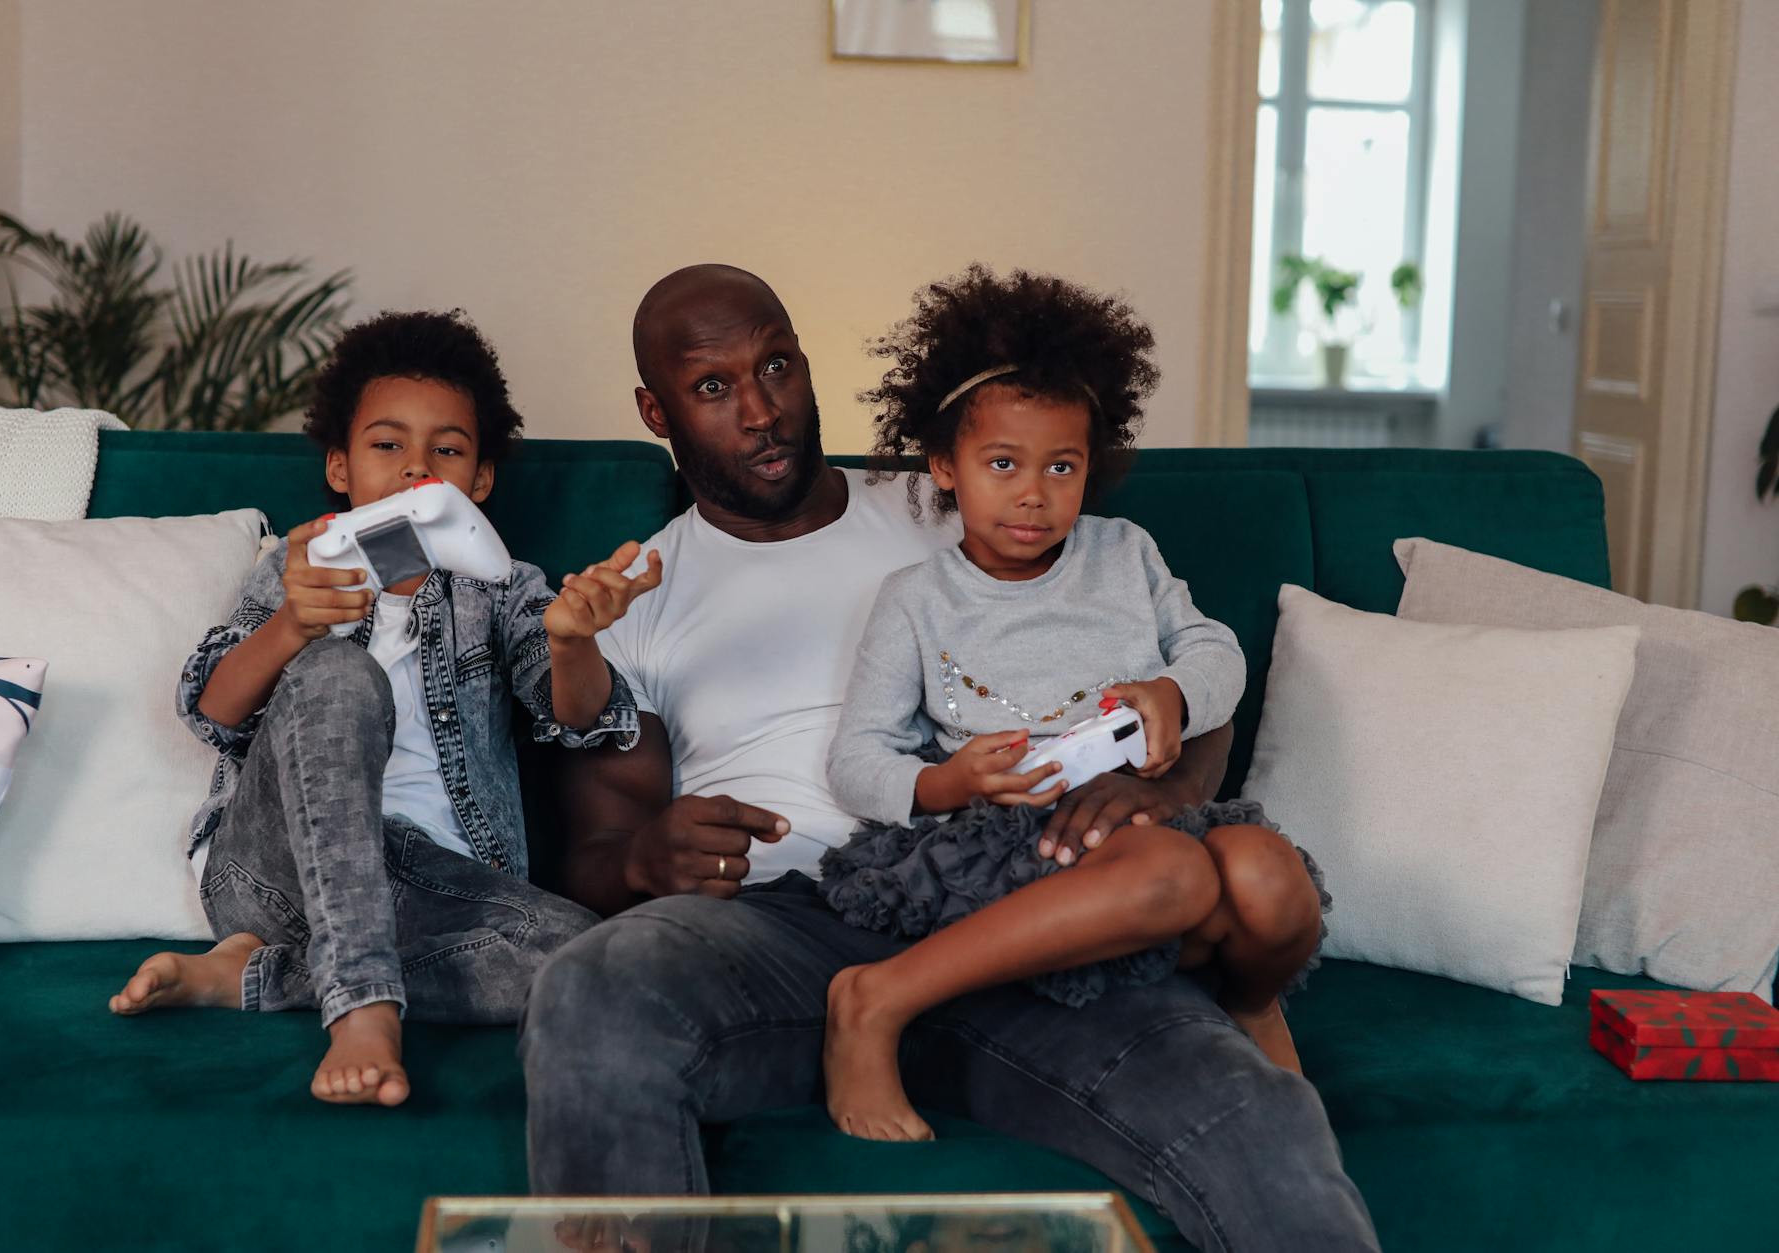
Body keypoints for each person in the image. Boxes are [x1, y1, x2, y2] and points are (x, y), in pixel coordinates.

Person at [523, 266, 1378, 1251]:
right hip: (779, 932)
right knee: (590, 986)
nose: (759, 409)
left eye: (776, 367)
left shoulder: (973, 496)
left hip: (1027, 910)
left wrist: (1158, 787)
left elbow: (1186, 687)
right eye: (713, 388)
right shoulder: (639, 596)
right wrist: (643, 858)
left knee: (1253, 1115)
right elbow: (589, 849)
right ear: (654, 409)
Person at [818, 265, 1329, 1143]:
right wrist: (946, 783)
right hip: (1008, 842)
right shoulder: (917, 598)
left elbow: (1218, 653)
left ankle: (1250, 999)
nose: (1033, 492)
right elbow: (857, 758)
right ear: (944, 467)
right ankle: (877, 998)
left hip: (1141, 822)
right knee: (1174, 873)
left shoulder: (1125, 554)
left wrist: (1173, 690)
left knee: (1272, 880)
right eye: (1003, 463)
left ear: (1092, 466)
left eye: (1062, 465)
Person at [109, 310, 658, 1108]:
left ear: (480, 482)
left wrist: (572, 640)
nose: (416, 468)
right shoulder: (298, 570)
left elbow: (576, 716)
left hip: (435, 889)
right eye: (387, 444)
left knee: (589, 959)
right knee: (338, 670)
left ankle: (263, 974)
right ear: (341, 465)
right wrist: (295, 623)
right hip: (272, 873)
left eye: (448, 449)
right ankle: (362, 1007)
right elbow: (212, 712)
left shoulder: (505, 588)